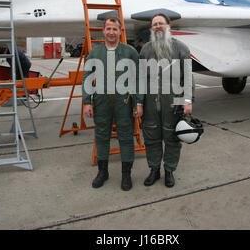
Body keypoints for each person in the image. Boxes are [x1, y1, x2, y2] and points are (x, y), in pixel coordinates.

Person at [82, 17, 141, 191]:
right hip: (101, 103)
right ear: (103, 31)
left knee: (125, 137)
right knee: (101, 137)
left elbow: (137, 80)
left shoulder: (130, 52)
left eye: (115, 29)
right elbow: (87, 77)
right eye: (108, 28)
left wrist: (138, 103)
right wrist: (87, 101)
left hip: (124, 103)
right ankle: (103, 172)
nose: (111, 32)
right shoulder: (95, 53)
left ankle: (126, 175)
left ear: (120, 31)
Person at [136, 13, 194, 188]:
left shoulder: (181, 48)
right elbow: (140, 79)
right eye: (155, 24)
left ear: (169, 26)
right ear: (152, 29)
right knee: (151, 138)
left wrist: (188, 100)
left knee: (172, 139)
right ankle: (154, 170)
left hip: (173, 102)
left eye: (161, 23)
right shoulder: (145, 49)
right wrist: (138, 103)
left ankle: (169, 170)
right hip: (150, 103)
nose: (158, 26)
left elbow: (188, 77)